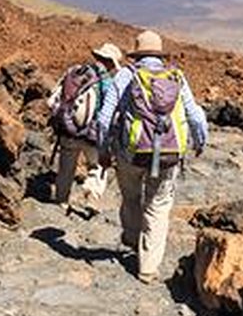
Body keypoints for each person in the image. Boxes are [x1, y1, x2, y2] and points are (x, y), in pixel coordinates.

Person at [96, 30, 207, 283]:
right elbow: (196, 116)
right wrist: (200, 142)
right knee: (157, 208)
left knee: (131, 197)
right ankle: (147, 267)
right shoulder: (177, 76)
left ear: (136, 53)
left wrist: (103, 151)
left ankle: (134, 238)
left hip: (130, 154)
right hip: (169, 154)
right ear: (159, 54)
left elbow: (104, 120)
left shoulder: (126, 75)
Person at [47, 42, 123, 213]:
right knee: (97, 167)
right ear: (111, 62)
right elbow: (109, 111)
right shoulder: (107, 82)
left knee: (66, 168)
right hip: (92, 135)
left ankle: (61, 202)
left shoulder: (75, 72)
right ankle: (91, 198)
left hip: (68, 129)